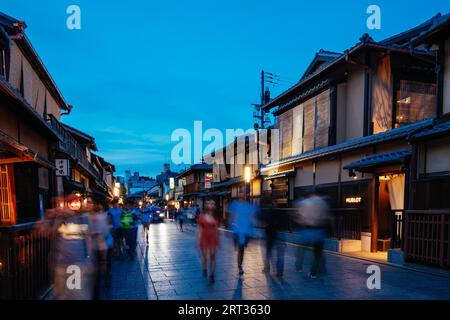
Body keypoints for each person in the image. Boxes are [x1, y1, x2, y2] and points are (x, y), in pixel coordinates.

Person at [47, 194, 94, 300]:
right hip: (60, 265)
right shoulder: (59, 219)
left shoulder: (83, 218)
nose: (73, 205)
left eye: (75, 202)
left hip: (76, 264)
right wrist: (56, 217)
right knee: (62, 296)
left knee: (75, 295)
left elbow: (88, 239)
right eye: (70, 202)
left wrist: (89, 259)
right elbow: (50, 234)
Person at [294, 190, 331, 278]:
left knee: (301, 249)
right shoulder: (322, 203)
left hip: (306, 230)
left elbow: (301, 217)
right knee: (317, 252)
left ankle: (298, 267)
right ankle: (313, 272)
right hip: (319, 230)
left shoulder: (305, 202)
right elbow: (325, 217)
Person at [228, 196, 257, 276]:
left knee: (242, 249)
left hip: (245, 231)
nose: (241, 199)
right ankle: (239, 266)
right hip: (237, 231)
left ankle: (240, 264)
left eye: (243, 197)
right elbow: (232, 216)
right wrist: (231, 225)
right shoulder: (235, 206)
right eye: (240, 197)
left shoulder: (247, 207)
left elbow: (251, 217)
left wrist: (254, 225)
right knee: (240, 249)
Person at [260, 202, 285, 277]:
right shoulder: (280, 211)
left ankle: (267, 268)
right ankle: (280, 272)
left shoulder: (267, 211)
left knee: (268, 252)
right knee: (280, 254)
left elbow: (264, 223)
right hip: (279, 233)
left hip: (269, 233)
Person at [197, 199, 220, 283]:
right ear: (206, 206)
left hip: (213, 238)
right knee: (205, 255)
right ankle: (205, 268)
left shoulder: (216, 216)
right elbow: (199, 229)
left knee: (213, 256)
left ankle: (212, 274)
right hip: (204, 237)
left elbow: (217, 229)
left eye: (212, 203)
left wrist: (219, 240)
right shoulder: (202, 216)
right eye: (209, 203)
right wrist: (198, 240)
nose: (211, 205)